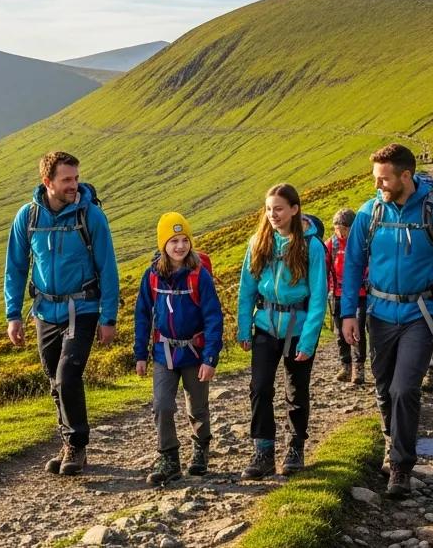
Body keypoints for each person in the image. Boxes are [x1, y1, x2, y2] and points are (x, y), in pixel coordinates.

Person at [341, 144, 433, 498]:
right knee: (383, 388)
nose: (378, 185)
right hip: (379, 314)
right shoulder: (370, 212)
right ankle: (389, 440)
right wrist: (348, 313)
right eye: (375, 178)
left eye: (383, 179)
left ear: (405, 176)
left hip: (421, 315)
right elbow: (352, 264)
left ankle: (401, 466)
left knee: (404, 388)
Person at [3, 151, 120, 476]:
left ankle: (77, 446)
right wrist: (13, 315)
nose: (74, 185)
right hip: (44, 311)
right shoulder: (27, 218)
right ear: (47, 182)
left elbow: (108, 268)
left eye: (76, 178)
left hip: (82, 308)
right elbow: (15, 267)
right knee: (54, 380)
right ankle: (66, 442)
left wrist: (107, 317)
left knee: (67, 375)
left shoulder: (90, 216)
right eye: (67, 180)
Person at [238, 183, 328, 479]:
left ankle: (295, 447)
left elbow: (318, 296)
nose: (272, 214)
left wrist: (309, 340)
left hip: (298, 327)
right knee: (260, 388)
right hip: (265, 325)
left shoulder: (311, 246)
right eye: (268, 209)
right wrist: (243, 329)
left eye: (278, 208)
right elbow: (246, 290)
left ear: (294, 209)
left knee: (296, 391)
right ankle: (262, 451)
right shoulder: (258, 242)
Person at [134, 212, 223, 484]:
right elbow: (142, 315)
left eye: (185, 240)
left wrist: (210, 357)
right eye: (174, 241)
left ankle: (200, 449)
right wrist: (140, 354)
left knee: (197, 407)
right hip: (163, 352)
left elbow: (213, 317)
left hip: (195, 354)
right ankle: (169, 457)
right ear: (163, 244)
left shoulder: (200, 276)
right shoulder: (151, 277)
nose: (180, 246)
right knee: (162, 405)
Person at [327, 208, 366, 384]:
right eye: (337, 228)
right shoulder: (331, 244)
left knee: (357, 332)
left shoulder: (361, 243)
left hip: (360, 294)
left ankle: (359, 368)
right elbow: (325, 268)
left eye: (343, 228)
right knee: (339, 333)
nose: (340, 232)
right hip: (337, 294)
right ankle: (345, 365)